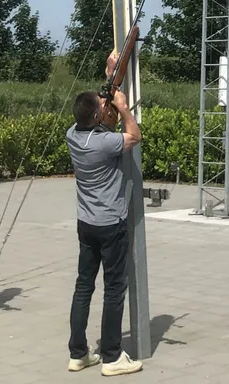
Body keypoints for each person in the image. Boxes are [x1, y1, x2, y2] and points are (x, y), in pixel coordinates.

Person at [65, 53, 143, 376]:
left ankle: (78, 353)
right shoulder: (107, 143)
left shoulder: (73, 134)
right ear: (99, 116)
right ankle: (111, 356)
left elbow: (96, 119)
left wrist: (112, 72)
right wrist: (124, 108)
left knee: (84, 286)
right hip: (111, 224)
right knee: (114, 288)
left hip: (86, 224)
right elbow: (134, 136)